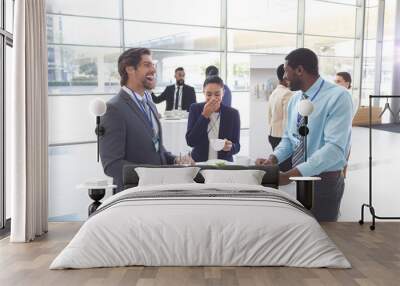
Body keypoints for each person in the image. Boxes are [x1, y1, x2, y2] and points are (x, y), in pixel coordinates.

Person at [256, 48, 353, 222]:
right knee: (302, 234)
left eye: (287, 71)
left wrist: (290, 174)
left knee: (324, 236)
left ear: (300, 70)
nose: (284, 77)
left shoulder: (338, 97)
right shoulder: (295, 99)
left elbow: (334, 149)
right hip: (300, 180)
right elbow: (289, 138)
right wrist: (273, 158)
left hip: (325, 183)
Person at [99, 48, 192, 193]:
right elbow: (112, 165)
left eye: (153, 65)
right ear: (130, 69)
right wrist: (153, 176)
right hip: (134, 196)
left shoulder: (149, 103)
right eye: (147, 65)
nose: (153, 70)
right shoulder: (114, 109)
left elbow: (156, 150)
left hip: (157, 192)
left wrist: (174, 160)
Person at [186, 76, 240, 162]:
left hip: (223, 164)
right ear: (203, 92)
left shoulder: (232, 114)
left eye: (217, 94)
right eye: (209, 94)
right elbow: (190, 141)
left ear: (223, 93)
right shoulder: (195, 109)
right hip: (200, 163)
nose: (213, 98)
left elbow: (237, 146)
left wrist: (231, 147)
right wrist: (204, 116)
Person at [268, 64, 294, 172]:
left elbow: (270, 116)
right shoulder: (288, 93)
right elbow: (288, 120)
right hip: (282, 137)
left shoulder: (274, 92)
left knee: (279, 168)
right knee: (286, 170)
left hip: (272, 134)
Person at [335, 71, 357, 178]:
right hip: (339, 132)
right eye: (335, 81)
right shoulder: (339, 96)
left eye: (339, 81)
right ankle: (340, 178)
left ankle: (341, 179)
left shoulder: (350, 97)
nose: (336, 84)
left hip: (344, 132)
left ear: (347, 83)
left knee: (343, 158)